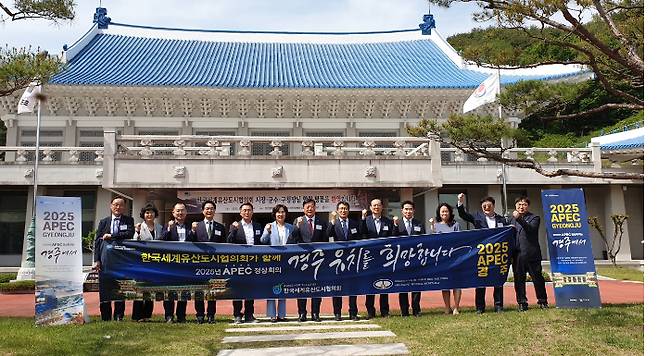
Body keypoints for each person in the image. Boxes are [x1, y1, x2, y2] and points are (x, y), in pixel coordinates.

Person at [456, 193, 507, 314]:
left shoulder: (502, 219)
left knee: (498, 279)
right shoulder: (477, 217)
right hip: (481, 253)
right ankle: (480, 307)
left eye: (489, 205)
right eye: (484, 206)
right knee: (480, 280)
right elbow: (463, 215)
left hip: (496, 253)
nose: (486, 208)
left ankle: (498, 305)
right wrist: (460, 202)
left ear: (493, 206)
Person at [93, 196, 134, 321]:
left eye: (121, 205)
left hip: (121, 260)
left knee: (120, 288)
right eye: (116, 204)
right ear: (111, 206)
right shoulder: (104, 222)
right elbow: (98, 242)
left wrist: (112, 236)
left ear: (124, 207)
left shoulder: (128, 220)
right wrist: (97, 260)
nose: (118, 207)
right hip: (105, 261)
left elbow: (129, 234)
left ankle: (118, 316)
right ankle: (105, 317)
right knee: (105, 288)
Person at [290, 198, 329, 322]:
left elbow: (326, 240)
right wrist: (296, 226)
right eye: (307, 207)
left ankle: (315, 313)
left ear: (315, 208)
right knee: (302, 287)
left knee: (317, 288)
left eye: (312, 206)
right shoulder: (298, 220)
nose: (310, 209)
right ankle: (302, 313)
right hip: (303, 261)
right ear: (303, 209)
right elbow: (292, 238)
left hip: (318, 260)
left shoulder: (321, 222)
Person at [191, 200, 226, 324]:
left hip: (215, 264)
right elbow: (190, 243)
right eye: (207, 208)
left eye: (211, 208)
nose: (209, 211)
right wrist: (192, 231)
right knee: (199, 289)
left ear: (215, 211)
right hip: (200, 263)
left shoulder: (220, 227)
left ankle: (211, 315)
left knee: (213, 290)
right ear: (203, 211)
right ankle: (199, 315)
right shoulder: (196, 226)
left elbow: (225, 245)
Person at [510, 196, 548, 311]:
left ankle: (542, 301)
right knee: (519, 279)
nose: (521, 207)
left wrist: (519, 219)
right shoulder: (510, 220)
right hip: (517, 255)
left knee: (537, 278)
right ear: (515, 206)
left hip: (532, 254)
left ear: (527, 206)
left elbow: (531, 229)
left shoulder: (534, 217)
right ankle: (522, 302)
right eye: (519, 204)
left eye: (524, 204)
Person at [227, 202, 263, 324]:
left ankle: (249, 314)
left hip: (253, 262)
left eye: (249, 210)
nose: (247, 212)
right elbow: (229, 242)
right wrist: (234, 230)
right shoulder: (234, 226)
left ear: (252, 212)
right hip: (239, 263)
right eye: (244, 210)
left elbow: (262, 243)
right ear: (240, 213)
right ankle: (237, 314)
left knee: (250, 289)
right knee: (237, 289)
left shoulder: (258, 226)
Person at [327, 201, 362, 321]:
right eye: (341, 209)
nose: (343, 211)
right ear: (337, 211)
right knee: (337, 287)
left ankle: (353, 312)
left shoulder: (354, 223)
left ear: (348, 210)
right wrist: (331, 222)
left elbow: (359, 239)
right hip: (337, 260)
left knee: (353, 287)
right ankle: (337, 313)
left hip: (352, 260)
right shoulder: (333, 223)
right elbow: (328, 236)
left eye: (345, 208)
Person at [360, 198, 394, 318]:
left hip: (385, 259)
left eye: (378, 205)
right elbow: (362, 235)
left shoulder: (387, 222)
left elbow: (392, 238)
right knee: (371, 285)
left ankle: (385, 310)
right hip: (370, 259)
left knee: (384, 284)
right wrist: (363, 219)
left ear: (382, 207)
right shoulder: (366, 221)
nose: (376, 207)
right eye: (374, 205)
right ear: (370, 207)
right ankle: (370, 310)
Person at [391, 200, 426, 317]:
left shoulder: (419, 224)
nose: (408, 211)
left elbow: (424, 240)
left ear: (414, 210)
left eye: (410, 209)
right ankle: (404, 311)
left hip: (416, 259)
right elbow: (392, 239)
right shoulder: (397, 223)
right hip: (401, 259)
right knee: (403, 284)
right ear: (402, 211)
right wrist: (395, 225)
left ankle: (416, 309)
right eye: (406, 209)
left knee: (416, 284)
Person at [260, 204, 293, 322]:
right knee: (272, 287)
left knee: (283, 287)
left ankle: (282, 314)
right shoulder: (270, 226)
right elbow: (262, 241)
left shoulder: (290, 227)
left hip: (286, 262)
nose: (281, 214)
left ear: (286, 214)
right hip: (273, 262)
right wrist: (267, 231)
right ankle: (272, 315)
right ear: (275, 214)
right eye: (278, 212)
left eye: (283, 212)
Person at [162, 202, 194, 323]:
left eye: (182, 211)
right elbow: (162, 240)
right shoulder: (167, 225)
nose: (180, 213)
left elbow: (193, 243)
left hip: (185, 264)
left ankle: (181, 316)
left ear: (186, 213)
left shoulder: (190, 226)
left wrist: (193, 232)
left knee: (183, 290)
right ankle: (169, 315)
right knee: (169, 290)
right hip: (171, 264)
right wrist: (169, 229)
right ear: (173, 213)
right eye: (178, 211)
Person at [131, 202, 162, 322]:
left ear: (155, 214)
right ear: (143, 215)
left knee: (150, 289)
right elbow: (134, 241)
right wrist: (137, 231)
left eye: (152, 212)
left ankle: (147, 315)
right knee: (139, 288)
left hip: (154, 262)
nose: (149, 215)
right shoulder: (139, 226)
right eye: (147, 212)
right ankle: (137, 315)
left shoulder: (159, 227)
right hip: (141, 262)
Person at [429, 203, 462, 315]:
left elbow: (460, 240)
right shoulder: (436, 226)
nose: (444, 213)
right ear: (439, 213)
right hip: (442, 259)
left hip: (455, 258)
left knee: (456, 283)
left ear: (450, 213)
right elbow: (433, 242)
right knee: (445, 283)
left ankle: (456, 307)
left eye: (446, 211)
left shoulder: (456, 225)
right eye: (442, 211)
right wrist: (432, 228)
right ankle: (447, 307)